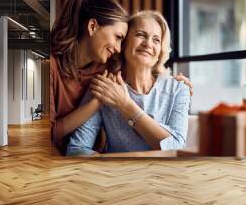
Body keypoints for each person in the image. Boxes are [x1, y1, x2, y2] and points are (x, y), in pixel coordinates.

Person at [67, 11, 190, 156]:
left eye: (156, 40)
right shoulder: (105, 86)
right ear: (123, 44)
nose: (148, 44)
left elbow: (176, 147)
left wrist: (125, 105)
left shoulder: (179, 89)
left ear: (160, 51)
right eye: (140, 35)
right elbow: (76, 149)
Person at [50, 0, 129, 154]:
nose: (118, 48)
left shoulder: (108, 67)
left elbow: (146, 72)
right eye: (117, 37)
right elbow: (50, 133)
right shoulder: (51, 66)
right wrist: (96, 103)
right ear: (93, 26)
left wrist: (178, 83)